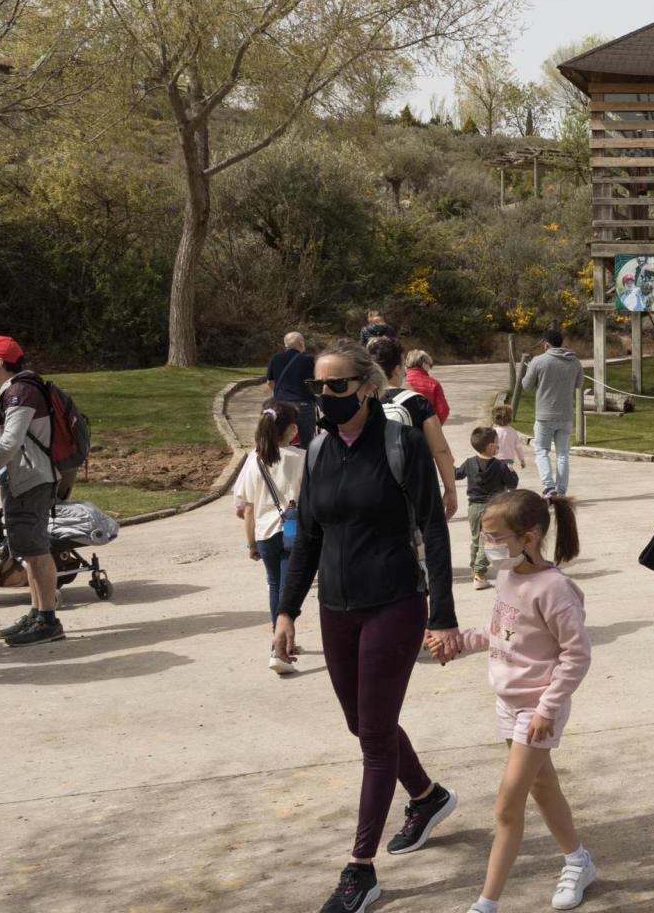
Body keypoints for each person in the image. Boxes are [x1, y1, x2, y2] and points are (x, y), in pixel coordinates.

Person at [275, 341, 461, 913]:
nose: (324, 398)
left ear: (366, 387)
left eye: (336, 386)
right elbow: (306, 537)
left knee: (375, 739)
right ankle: (427, 797)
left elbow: (433, 528)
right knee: (363, 725)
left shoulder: (400, 443)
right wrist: (287, 610)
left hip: (394, 602)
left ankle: (361, 869)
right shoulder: (320, 449)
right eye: (317, 388)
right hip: (337, 608)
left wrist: (443, 615)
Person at [427, 488, 594, 913]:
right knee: (542, 784)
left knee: (506, 805)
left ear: (528, 537)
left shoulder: (554, 589)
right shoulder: (509, 576)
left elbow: (576, 655)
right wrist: (458, 641)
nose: (489, 546)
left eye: (496, 537)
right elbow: (501, 630)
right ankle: (578, 860)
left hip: (538, 708)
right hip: (508, 702)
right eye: (486, 537)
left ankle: (486, 903)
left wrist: (547, 708)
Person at [0, 336, 65, 648]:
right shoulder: (14, 390)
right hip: (22, 480)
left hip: (30, 481)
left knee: (35, 550)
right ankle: (37, 613)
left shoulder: (21, 391)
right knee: (29, 550)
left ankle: (48, 619)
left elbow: (11, 440)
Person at [234, 401, 308, 673]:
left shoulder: (254, 460)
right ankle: (278, 647)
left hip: (264, 533)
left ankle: (284, 639)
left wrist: (251, 543)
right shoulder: (300, 458)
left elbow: (247, 508)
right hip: (291, 530)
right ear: (288, 429)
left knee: (275, 584)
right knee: (288, 589)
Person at [368, 337, 459, 520]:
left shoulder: (363, 402)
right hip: (413, 486)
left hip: (371, 484)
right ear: (396, 369)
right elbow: (440, 449)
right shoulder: (417, 402)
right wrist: (450, 490)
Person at [458, 428, 521, 590]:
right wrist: (512, 472)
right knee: (488, 542)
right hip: (493, 509)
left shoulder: (469, 462)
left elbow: (456, 474)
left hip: (473, 508)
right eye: (497, 444)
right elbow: (512, 484)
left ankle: (474, 568)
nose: (498, 446)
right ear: (490, 447)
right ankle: (479, 574)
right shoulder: (500, 466)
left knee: (476, 539)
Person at [522, 329, 580, 496]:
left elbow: (526, 386)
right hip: (566, 415)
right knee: (563, 455)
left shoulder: (538, 361)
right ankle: (561, 490)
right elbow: (579, 383)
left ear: (546, 344)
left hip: (544, 415)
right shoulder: (574, 361)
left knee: (541, 451)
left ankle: (549, 487)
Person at [266, 331, 318, 444]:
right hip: (304, 406)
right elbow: (315, 383)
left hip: (282, 405)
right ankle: (305, 461)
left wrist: (282, 394)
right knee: (307, 442)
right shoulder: (308, 360)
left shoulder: (275, 358)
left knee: (282, 441)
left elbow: (270, 382)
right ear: (301, 343)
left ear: (286, 345)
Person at [403, 350, 451, 425]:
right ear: (424, 364)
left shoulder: (399, 382)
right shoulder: (434, 384)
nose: (429, 368)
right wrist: (435, 427)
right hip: (427, 428)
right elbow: (443, 410)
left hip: (402, 428)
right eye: (429, 364)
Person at [490, 403, 528, 472]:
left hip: (495, 458)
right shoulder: (513, 432)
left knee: (495, 475)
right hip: (509, 460)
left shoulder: (493, 431)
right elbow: (518, 447)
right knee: (507, 475)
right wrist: (522, 460)